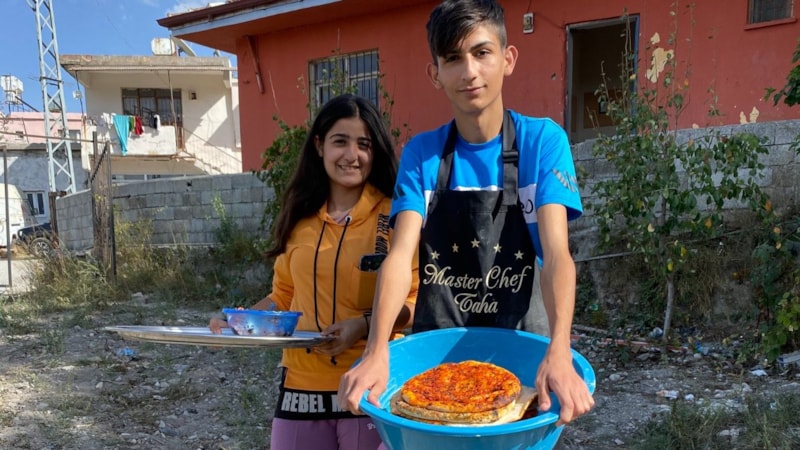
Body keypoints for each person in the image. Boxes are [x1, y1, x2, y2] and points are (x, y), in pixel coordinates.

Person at [338, 0, 594, 426]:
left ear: (508, 59)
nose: (469, 71)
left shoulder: (542, 142)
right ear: (435, 74)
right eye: (453, 58)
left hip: (521, 353)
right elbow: (399, 257)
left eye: (482, 52)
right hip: (436, 366)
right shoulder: (422, 154)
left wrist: (560, 349)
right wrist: (376, 349)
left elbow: (556, 255)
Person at [210, 94, 418, 450]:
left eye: (363, 144)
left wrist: (363, 325)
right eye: (340, 141)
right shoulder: (300, 217)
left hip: (368, 387)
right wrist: (237, 321)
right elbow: (282, 296)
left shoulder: (398, 215)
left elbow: (415, 302)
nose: (352, 155)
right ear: (320, 145)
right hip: (300, 391)